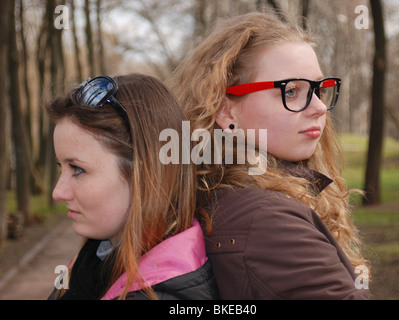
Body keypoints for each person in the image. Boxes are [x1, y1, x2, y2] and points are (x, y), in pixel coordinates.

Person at [166, 12, 370, 299]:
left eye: (318, 89)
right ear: (227, 111)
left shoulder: (212, 191)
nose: (320, 108)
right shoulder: (268, 220)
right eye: (291, 91)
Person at [46, 74, 219, 300]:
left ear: (146, 174)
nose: (58, 192)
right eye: (62, 169)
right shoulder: (96, 259)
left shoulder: (163, 293)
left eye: (78, 169)